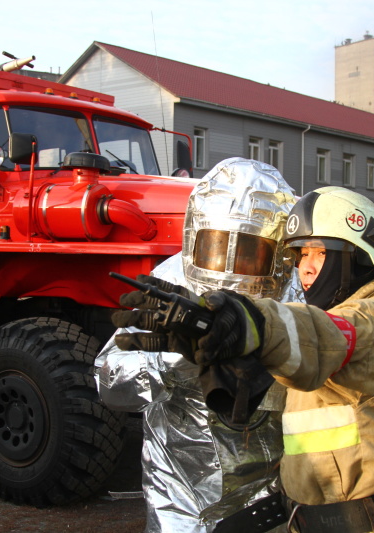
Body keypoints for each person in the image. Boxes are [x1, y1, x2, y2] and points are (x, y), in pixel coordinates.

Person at [115, 186, 374, 533]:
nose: (306, 268)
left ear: (357, 255)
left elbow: (318, 333)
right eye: (300, 254)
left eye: (320, 253)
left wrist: (248, 323)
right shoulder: (362, 316)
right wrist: (218, 351)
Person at [97, 157, 303, 533]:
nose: (228, 266)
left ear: (279, 253)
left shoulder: (294, 293)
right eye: (215, 244)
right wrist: (172, 360)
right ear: (194, 235)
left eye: (249, 252)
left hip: (269, 493)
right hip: (179, 494)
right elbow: (110, 385)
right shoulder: (172, 283)